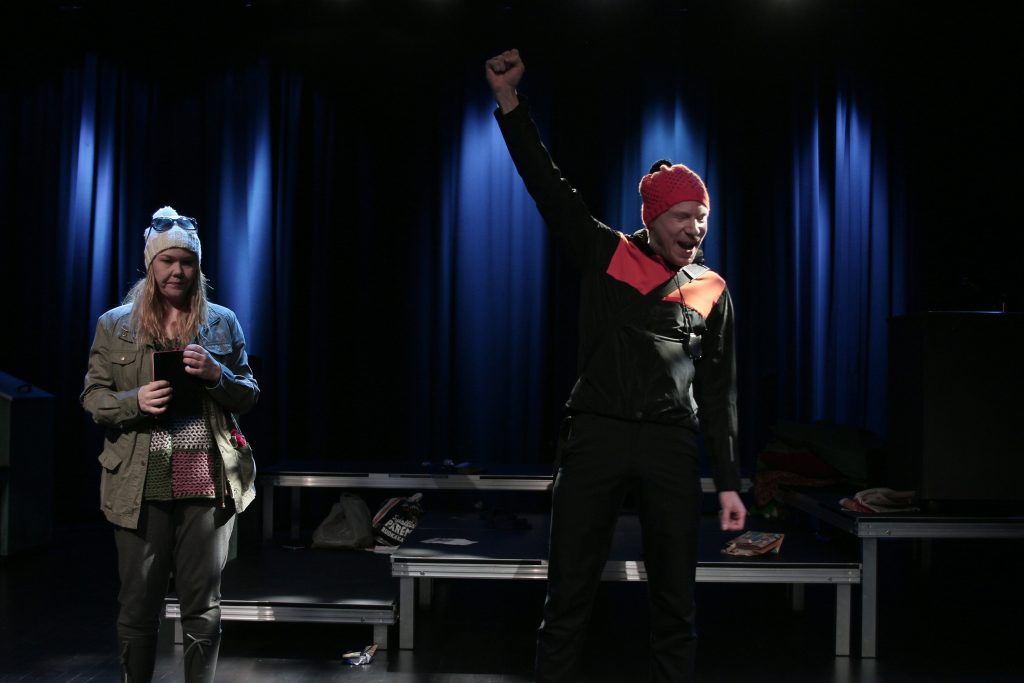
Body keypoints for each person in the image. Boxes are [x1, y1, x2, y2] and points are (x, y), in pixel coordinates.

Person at [485, 49, 746, 682]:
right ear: (653, 218)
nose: (694, 228)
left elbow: (719, 391)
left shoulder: (711, 288)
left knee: (676, 601)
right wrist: (509, 102)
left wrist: (729, 482)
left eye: (702, 218)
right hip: (597, 435)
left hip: (670, 445)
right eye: (682, 216)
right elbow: (548, 185)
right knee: (568, 594)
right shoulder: (608, 255)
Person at [81, 207, 259, 683]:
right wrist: (134, 400)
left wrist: (217, 375)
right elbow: (93, 397)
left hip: (207, 482)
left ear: (197, 266)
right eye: (167, 261)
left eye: (186, 261)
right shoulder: (115, 325)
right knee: (138, 604)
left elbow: (249, 393)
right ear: (150, 264)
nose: (177, 270)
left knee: (203, 605)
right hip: (140, 483)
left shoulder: (221, 322)